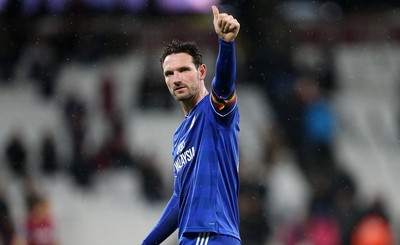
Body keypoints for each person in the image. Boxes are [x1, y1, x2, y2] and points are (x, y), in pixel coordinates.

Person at [142, 5, 241, 245]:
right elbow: (180, 198)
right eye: (169, 73)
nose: (175, 79)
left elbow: (224, 84)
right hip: (194, 236)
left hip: (210, 233)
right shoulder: (180, 134)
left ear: (201, 71)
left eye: (184, 70)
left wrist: (225, 44)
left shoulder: (214, 111)